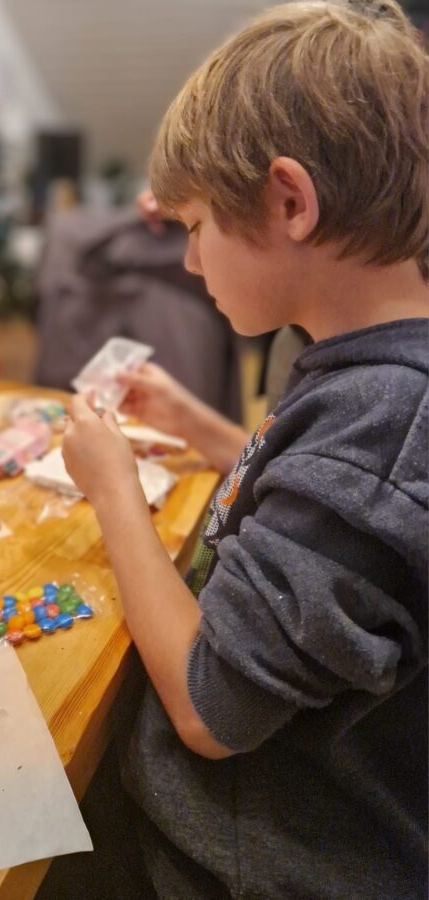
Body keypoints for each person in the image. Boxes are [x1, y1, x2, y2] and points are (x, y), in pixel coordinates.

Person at [59, 1, 429, 897]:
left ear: (288, 201)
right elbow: (308, 496)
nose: (188, 262)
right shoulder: (363, 375)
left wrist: (112, 488)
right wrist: (199, 426)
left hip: (239, 862)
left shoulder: (385, 419)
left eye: (193, 228)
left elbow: (206, 707)